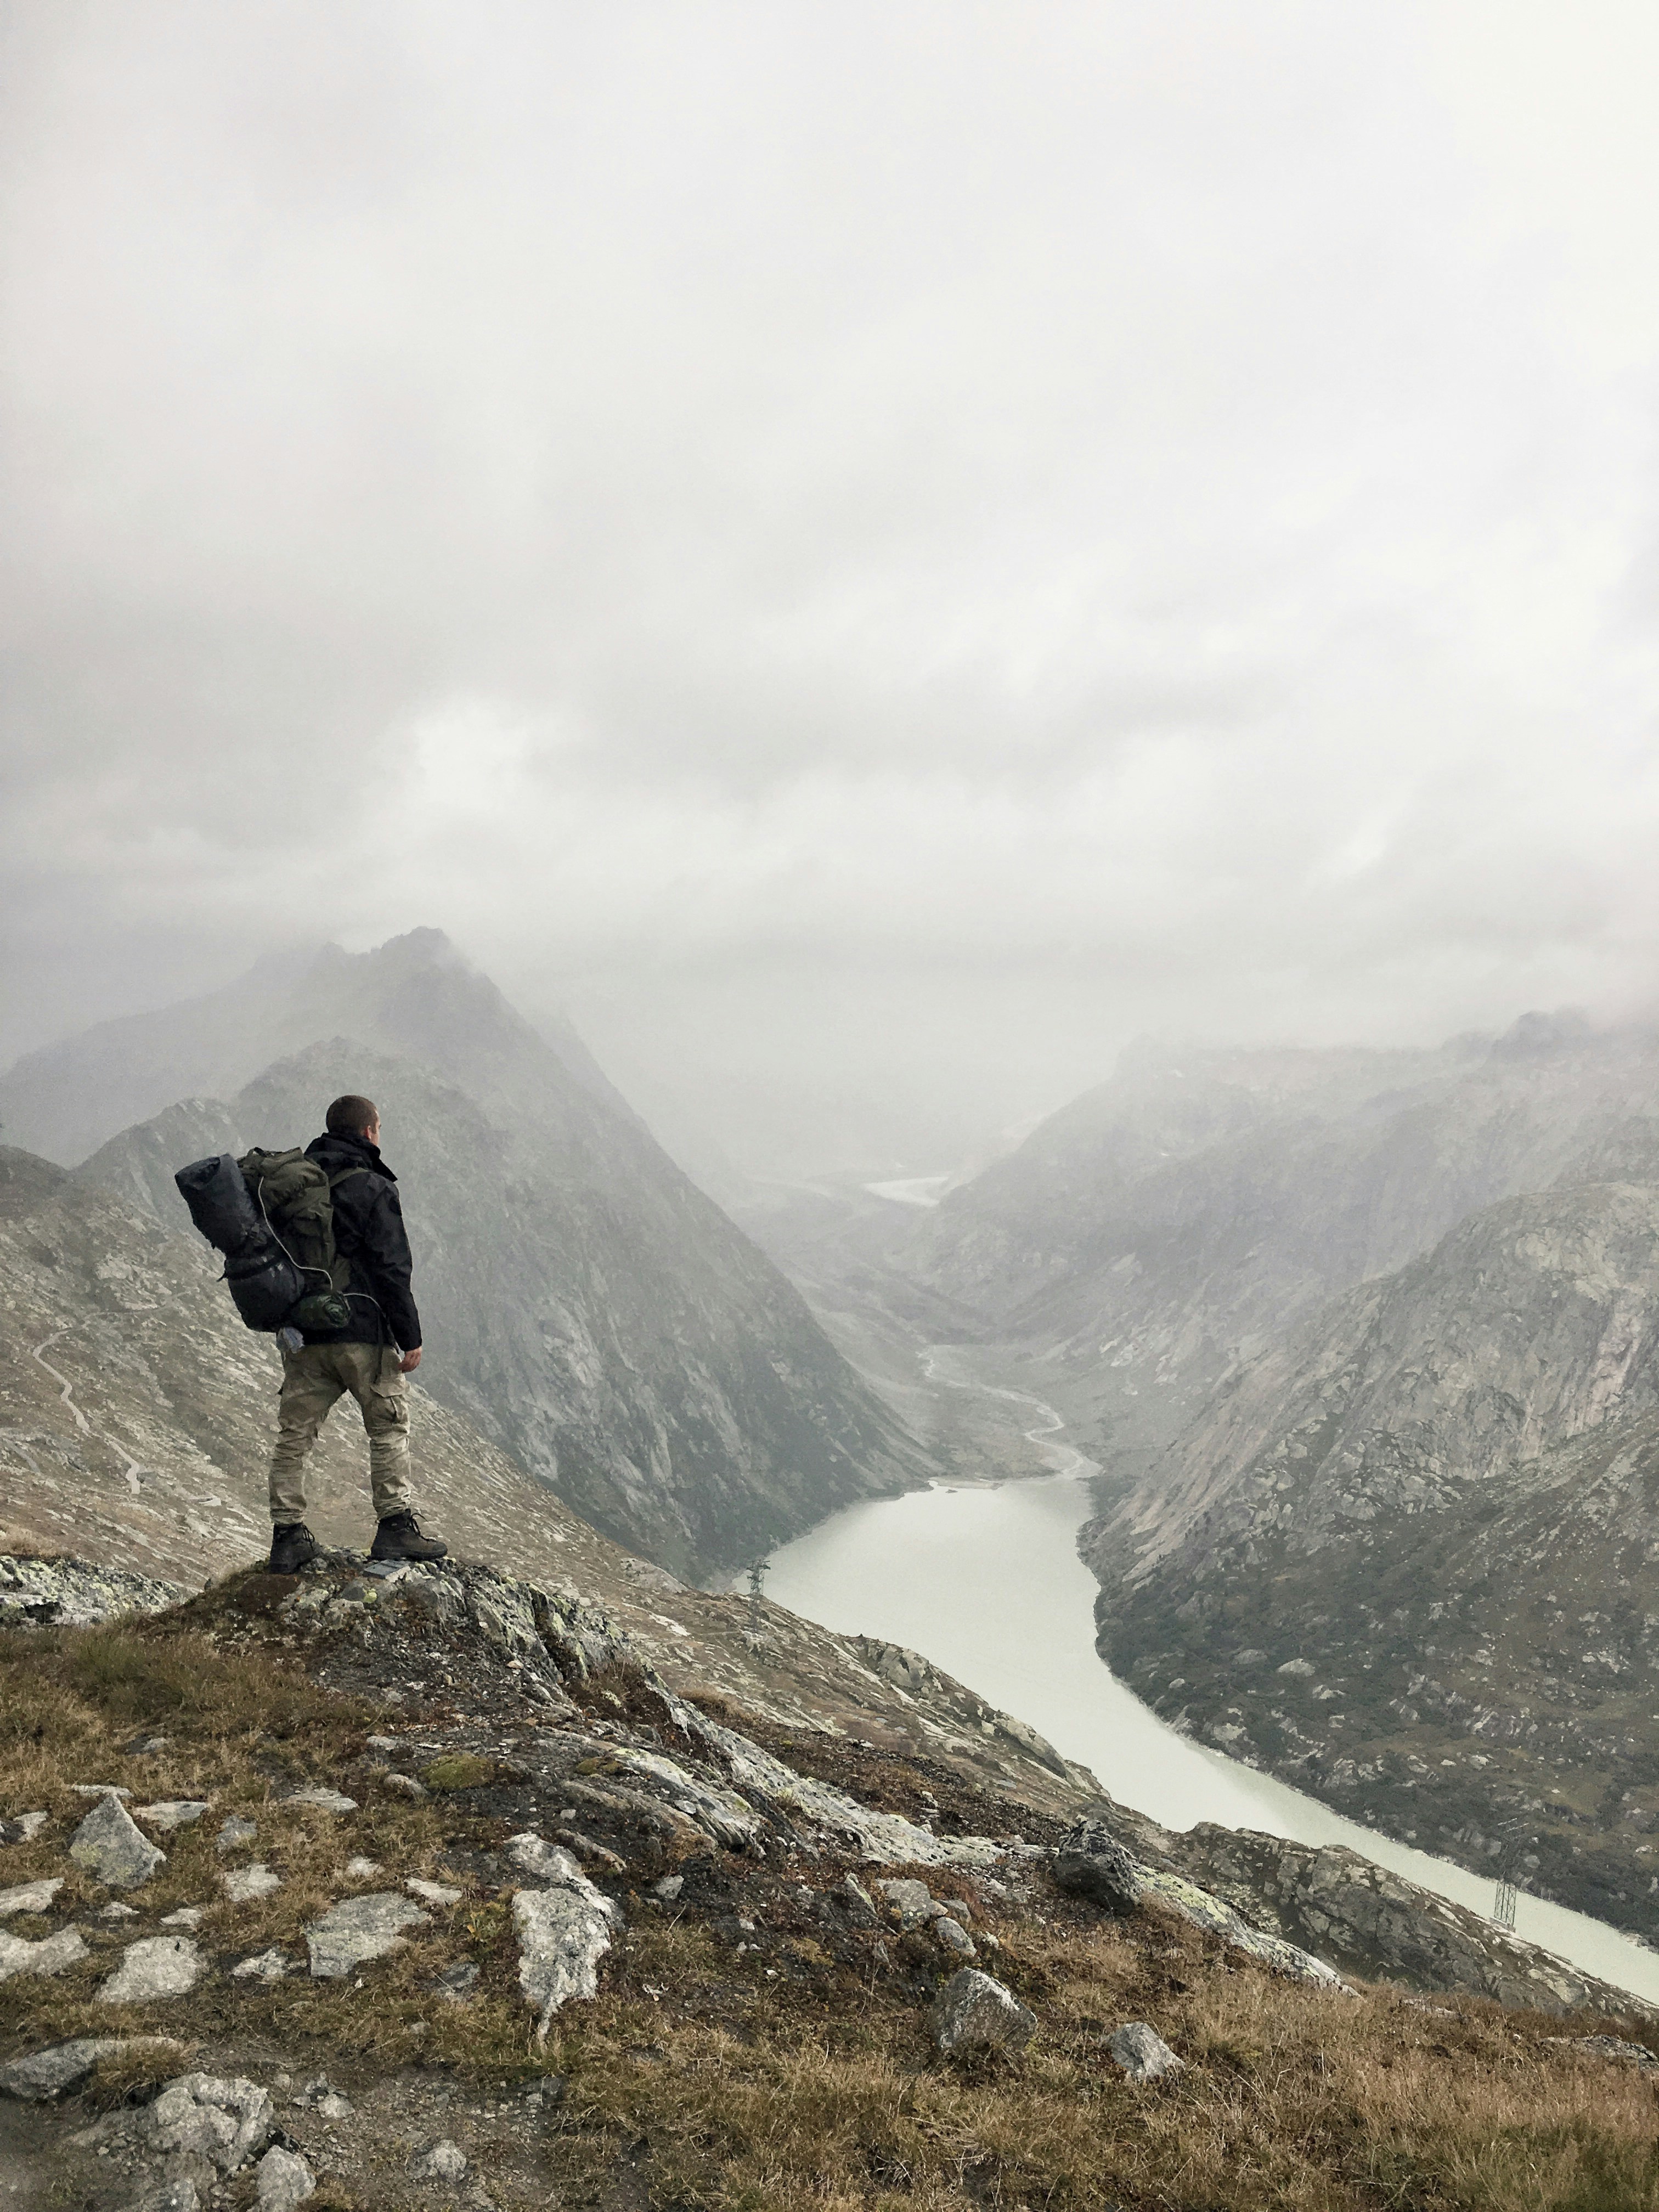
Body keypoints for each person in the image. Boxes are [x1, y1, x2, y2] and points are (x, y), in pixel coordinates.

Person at [266, 1093, 448, 1572]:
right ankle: (395, 1528)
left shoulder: (295, 1186)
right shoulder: (372, 1187)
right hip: (362, 1330)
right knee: (387, 1428)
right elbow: (392, 1266)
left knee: (294, 1436)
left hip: (304, 1333)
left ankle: (287, 1536)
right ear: (369, 1132)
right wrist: (410, 1334)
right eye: (379, 1128)